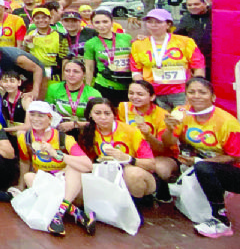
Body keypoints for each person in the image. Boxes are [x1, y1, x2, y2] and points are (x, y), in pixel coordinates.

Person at [167, 77, 240, 238]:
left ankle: (221, 220)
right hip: (207, 164)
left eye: (202, 92)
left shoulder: (228, 122)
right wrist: (168, 129)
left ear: (213, 97)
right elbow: (169, 143)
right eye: (191, 92)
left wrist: (199, 161)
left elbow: (235, 158)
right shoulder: (182, 114)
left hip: (234, 170)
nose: (196, 96)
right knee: (194, 167)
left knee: (203, 168)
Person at [16, 101, 95, 237]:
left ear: (50, 119)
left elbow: (88, 165)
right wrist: (20, 186)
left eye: (41, 116)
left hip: (69, 185)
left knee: (73, 167)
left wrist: (57, 154)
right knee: (29, 177)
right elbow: (24, 161)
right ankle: (75, 212)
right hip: (46, 183)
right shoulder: (25, 137)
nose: (35, 119)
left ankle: (58, 213)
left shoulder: (64, 138)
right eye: (32, 115)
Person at [76, 98, 157, 203]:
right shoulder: (87, 132)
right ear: (90, 115)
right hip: (106, 170)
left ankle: (136, 208)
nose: (103, 117)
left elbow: (151, 164)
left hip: (133, 171)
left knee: (133, 174)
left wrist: (128, 159)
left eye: (107, 113)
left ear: (114, 115)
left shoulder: (131, 131)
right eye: (98, 113)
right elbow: (86, 159)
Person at [131, 8, 205, 110]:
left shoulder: (185, 42)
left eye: (158, 22)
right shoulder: (138, 44)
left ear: (168, 25)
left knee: (183, 121)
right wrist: (143, 90)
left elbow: (198, 66)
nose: (153, 25)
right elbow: (136, 70)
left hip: (181, 92)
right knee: (161, 123)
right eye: (150, 22)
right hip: (154, 93)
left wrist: (195, 90)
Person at [117, 80, 178, 201]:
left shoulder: (162, 115)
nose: (134, 97)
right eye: (131, 93)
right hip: (133, 152)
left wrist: (148, 136)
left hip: (160, 155)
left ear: (152, 97)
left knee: (160, 169)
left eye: (140, 94)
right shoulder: (123, 108)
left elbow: (163, 148)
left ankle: (158, 190)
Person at [83, 10, 134, 106]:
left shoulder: (126, 38)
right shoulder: (90, 43)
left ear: (112, 22)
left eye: (105, 21)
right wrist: (88, 89)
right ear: (92, 24)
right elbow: (89, 68)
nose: (101, 25)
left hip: (127, 85)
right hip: (105, 85)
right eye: (97, 22)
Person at [0, 35, 45, 100]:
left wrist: (35, 91)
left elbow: (38, 69)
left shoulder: (14, 57)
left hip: (35, 77)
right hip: (16, 79)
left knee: (32, 101)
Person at [44, 59, 101, 135]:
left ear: (84, 74)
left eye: (76, 71)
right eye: (67, 71)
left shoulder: (93, 93)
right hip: (60, 130)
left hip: (85, 132)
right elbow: (47, 113)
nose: (71, 74)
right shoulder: (53, 88)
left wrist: (75, 124)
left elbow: (99, 120)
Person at [175, 0, 212, 80]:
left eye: (196, 4)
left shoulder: (214, 15)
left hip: (214, 58)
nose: (193, 7)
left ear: (205, 4)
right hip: (195, 59)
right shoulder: (186, 19)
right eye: (189, 5)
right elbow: (177, 36)